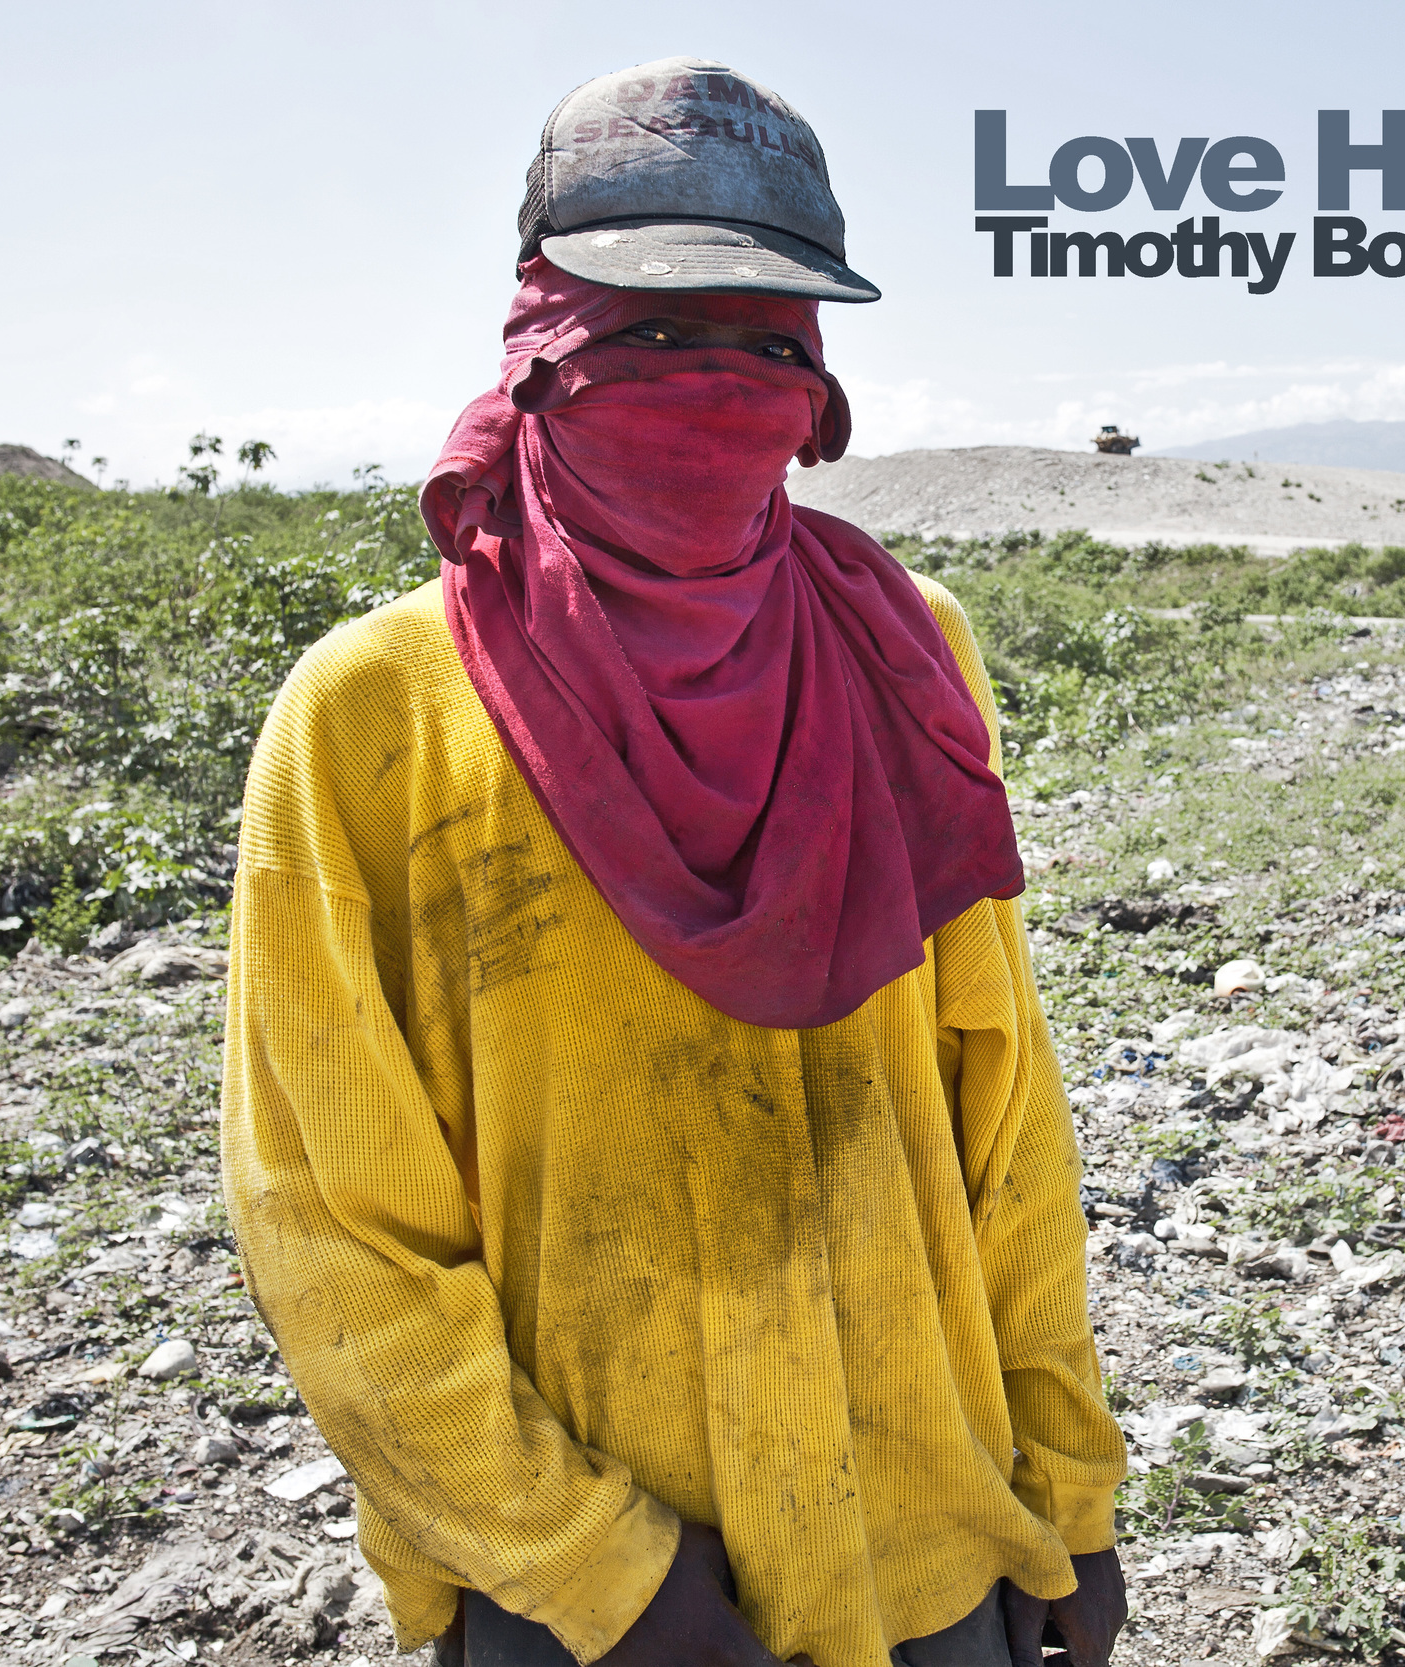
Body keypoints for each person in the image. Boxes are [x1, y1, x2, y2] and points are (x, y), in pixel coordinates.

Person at [220, 56, 1126, 1667]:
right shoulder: (370, 715)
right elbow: (329, 1215)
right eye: (653, 335)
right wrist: (593, 1568)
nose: (716, 383)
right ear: (541, 348)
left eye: (764, 343)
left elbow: (1003, 1108)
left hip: (927, 1525)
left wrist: (1069, 1486)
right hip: (582, 1595)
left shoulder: (906, 648)